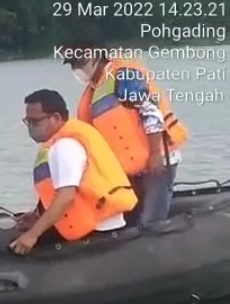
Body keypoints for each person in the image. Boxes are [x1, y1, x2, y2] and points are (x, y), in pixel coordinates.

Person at [61, 41, 189, 225]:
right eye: (72, 64)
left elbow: (151, 112)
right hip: (130, 168)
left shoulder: (124, 75)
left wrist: (155, 155)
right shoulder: (92, 93)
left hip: (157, 159)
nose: (76, 68)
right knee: (130, 221)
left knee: (152, 221)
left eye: (79, 62)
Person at [9, 90, 138, 255]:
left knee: (20, 245)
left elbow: (66, 197)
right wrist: (37, 215)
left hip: (96, 229)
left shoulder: (65, 147)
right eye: (28, 122)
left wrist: (33, 234)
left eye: (35, 122)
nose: (31, 128)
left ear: (55, 117)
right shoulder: (67, 139)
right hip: (102, 221)